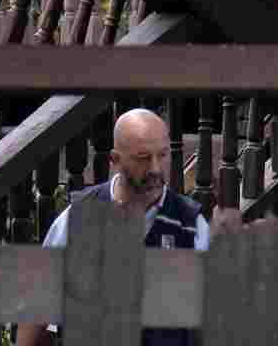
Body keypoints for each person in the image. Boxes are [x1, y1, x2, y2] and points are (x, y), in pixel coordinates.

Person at [16, 108, 210, 346]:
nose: (156, 169)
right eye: (143, 158)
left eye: (162, 155)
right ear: (114, 160)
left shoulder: (192, 227)